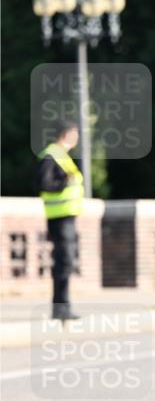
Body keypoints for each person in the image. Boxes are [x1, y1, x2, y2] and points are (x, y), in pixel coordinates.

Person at [36, 120, 83, 321]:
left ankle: (62, 307)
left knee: (66, 262)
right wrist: (64, 181)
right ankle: (60, 307)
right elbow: (44, 183)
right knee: (64, 262)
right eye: (75, 133)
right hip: (60, 218)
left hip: (66, 217)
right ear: (67, 134)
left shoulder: (62, 156)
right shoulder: (52, 155)